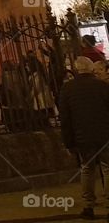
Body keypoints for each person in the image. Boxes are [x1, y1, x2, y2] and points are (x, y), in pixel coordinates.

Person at [58, 56, 109, 219]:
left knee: (87, 169)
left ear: (76, 69)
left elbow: (65, 118)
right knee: (107, 168)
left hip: (82, 137)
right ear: (91, 69)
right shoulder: (102, 86)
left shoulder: (68, 88)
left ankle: (88, 206)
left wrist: (68, 142)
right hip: (104, 134)